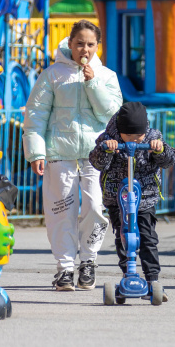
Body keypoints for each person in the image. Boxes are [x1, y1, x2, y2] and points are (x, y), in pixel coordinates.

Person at [23, 20, 122, 291]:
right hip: (59, 154)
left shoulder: (107, 76)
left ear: (97, 46)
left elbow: (113, 115)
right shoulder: (52, 75)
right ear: (70, 44)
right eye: (79, 43)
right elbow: (35, 115)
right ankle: (65, 268)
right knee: (61, 212)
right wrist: (36, 152)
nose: (84, 49)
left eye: (90, 44)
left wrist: (94, 84)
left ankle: (88, 262)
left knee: (94, 209)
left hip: (96, 156)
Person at [89, 101, 175, 301]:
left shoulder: (153, 138)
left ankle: (152, 279)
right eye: (130, 137)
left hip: (144, 198)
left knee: (147, 238)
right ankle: (127, 275)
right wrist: (106, 150)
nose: (135, 142)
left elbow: (170, 160)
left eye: (139, 137)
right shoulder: (108, 138)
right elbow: (96, 162)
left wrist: (159, 150)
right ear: (120, 131)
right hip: (117, 199)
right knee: (123, 237)